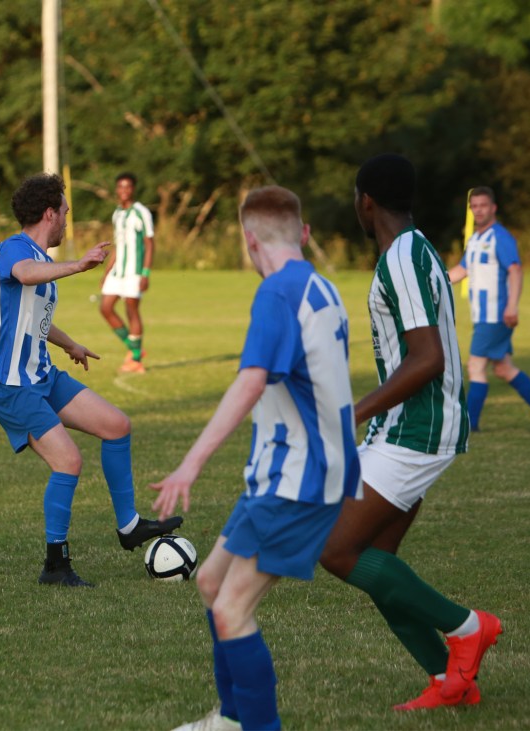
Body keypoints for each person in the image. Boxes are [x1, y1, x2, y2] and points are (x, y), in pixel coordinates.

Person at [152, 186, 361, 731]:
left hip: (297, 479)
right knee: (210, 584)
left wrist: (190, 464)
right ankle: (230, 720)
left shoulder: (276, 292)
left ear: (249, 241)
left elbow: (250, 382)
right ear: (304, 233)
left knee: (231, 611)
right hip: (290, 473)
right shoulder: (322, 286)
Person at [317, 154, 502, 710]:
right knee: (376, 559)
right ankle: (450, 682)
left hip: (418, 427)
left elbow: (428, 358)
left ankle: (468, 627)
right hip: (405, 425)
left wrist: (353, 412)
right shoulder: (413, 250)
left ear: (366, 201)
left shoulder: (401, 257)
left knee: (334, 548)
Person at [0, 173, 182, 588]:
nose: (67, 221)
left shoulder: (38, 256)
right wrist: (78, 265)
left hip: (40, 374)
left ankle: (129, 526)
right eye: (65, 212)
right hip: (9, 384)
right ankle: (55, 565)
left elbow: (32, 317)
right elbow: (26, 274)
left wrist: (70, 344)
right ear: (49, 214)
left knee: (116, 425)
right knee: (68, 461)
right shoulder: (15, 249)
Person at [447, 187, 530, 431]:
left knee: (475, 367)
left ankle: (469, 425)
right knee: (503, 368)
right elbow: (463, 269)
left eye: (483, 205)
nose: (478, 210)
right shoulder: (475, 239)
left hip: (495, 315)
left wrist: (512, 306)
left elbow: (515, 270)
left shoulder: (500, 237)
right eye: (474, 206)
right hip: (482, 315)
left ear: (493, 208)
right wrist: (436, 281)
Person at [99, 172, 155, 374]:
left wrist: (145, 273)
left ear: (133, 189)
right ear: (117, 189)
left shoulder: (141, 212)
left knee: (131, 310)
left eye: (128, 187)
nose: (124, 190)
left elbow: (149, 244)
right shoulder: (117, 214)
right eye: (120, 187)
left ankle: (136, 360)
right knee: (105, 308)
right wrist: (107, 271)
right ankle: (134, 347)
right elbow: (118, 245)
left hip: (134, 272)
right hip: (117, 272)